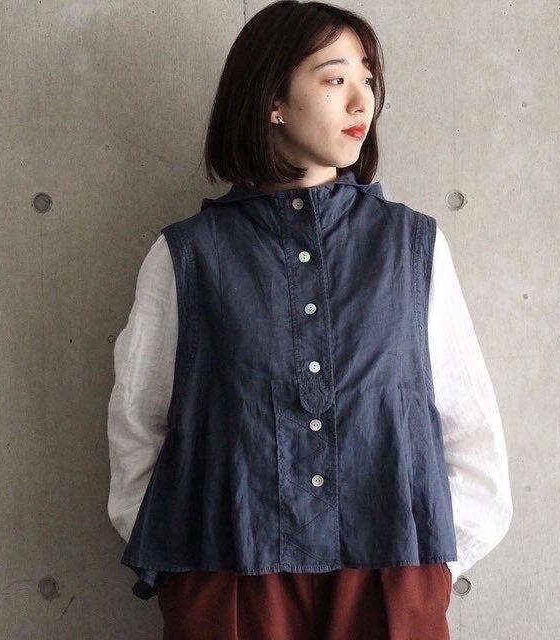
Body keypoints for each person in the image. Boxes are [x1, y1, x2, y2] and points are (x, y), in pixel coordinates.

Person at [106, 2, 513, 637]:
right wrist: (186, 571)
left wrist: (430, 567)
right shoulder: (188, 255)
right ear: (273, 100)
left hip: (390, 574)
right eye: (335, 78)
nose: (361, 101)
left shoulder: (412, 247)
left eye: (368, 80)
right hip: (231, 576)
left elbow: (469, 422)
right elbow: (139, 423)